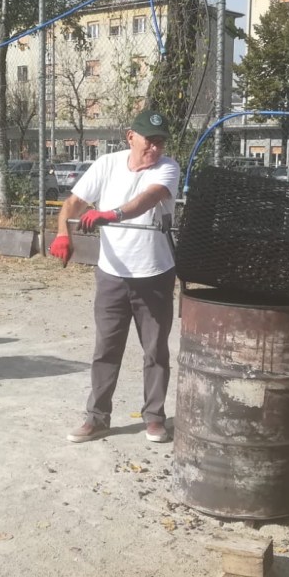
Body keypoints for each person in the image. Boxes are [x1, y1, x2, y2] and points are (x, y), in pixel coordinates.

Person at [49, 109, 180, 443]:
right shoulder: (107, 164)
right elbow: (73, 203)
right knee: (106, 348)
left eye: (161, 142)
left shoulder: (167, 168)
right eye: (150, 141)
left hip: (154, 274)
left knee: (155, 350)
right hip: (112, 274)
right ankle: (97, 418)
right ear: (131, 137)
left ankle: (154, 417)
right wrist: (64, 233)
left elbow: (148, 198)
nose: (156, 148)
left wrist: (112, 214)